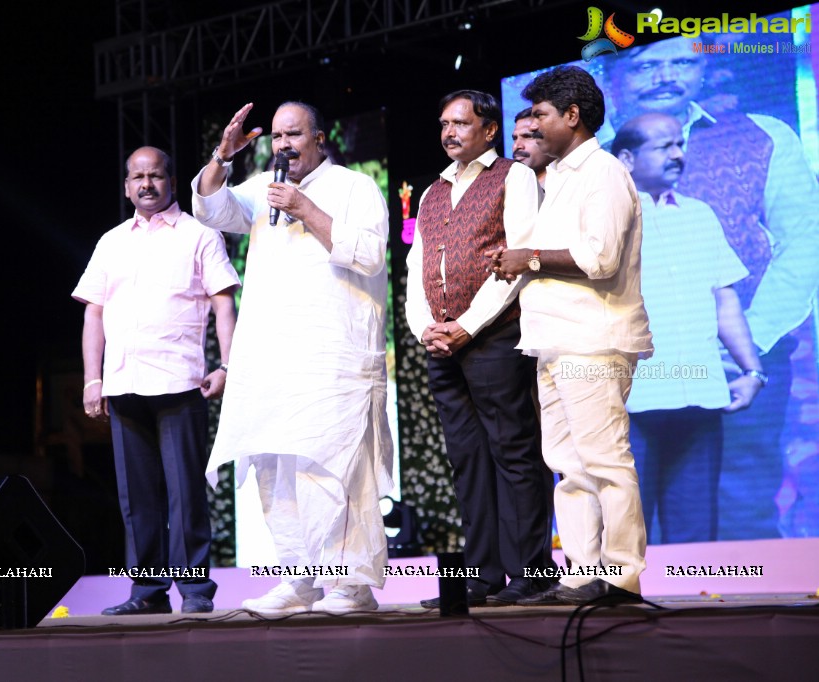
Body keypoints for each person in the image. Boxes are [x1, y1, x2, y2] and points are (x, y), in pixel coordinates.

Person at [605, 38, 819, 538]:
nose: (665, 76)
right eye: (646, 65)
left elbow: (803, 245)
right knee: (624, 522)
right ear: (615, 78)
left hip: (739, 367)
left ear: (704, 71)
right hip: (627, 375)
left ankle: (722, 611)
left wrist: (750, 348)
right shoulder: (590, 166)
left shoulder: (762, 137)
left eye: (682, 62)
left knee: (739, 516)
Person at [192, 101, 394, 615]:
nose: (283, 144)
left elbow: (369, 253)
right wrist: (223, 153)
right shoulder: (261, 188)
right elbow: (209, 208)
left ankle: (351, 586)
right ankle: (299, 579)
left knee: (334, 470)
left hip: (332, 358)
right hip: (270, 359)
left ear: (318, 138)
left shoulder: (354, 187)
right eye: (277, 136)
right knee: (274, 469)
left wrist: (305, 208)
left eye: (294, 134)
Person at [489, 66, 653, 605]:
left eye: (540, 114)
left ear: (572, 116)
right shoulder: (558, 177)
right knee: (568, 466)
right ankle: (583, 571)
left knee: (604, 461)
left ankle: (622, 573)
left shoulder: (601, 171)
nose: (532, 125)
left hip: (593, 339)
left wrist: (528, 258)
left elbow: (600, 258)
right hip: (553, 341)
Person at [404, 90, 556, 608]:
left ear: (489, 130)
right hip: (442, 344)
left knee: (513, 452)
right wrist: (426, 327)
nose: (449, 132)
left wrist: (466, 325)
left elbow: (513, 263)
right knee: (467, 459)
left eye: (460, 123)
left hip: (494, 336)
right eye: (444, 123)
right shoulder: (431, 193)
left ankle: (531, 572)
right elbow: (415, 271)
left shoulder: (512, 176)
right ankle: (483, 574)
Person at [72, 146, 240, 615]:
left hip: (180, 383)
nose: (147, 184)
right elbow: (94, 314)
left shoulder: (198, 234)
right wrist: (92, 380)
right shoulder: (111, 241)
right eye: (138, 177)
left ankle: (194, 593)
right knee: (138, 500)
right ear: (127, 186)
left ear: (171, 180)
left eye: (156, 176)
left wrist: (227, 366)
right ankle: (146, 594)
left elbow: (224, 303)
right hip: (124, 385)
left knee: (185, 495)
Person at [613, 113, 765, 543]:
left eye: (680, 144)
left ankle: (695, 610)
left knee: (695, 544)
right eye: (664, 146)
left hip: (699, 400)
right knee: (624, 543)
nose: (679, 154)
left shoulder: (700, 215)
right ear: (626, 157)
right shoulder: (604, 221)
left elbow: (724, 300)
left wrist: (752, 371)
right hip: (628, 405)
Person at [511, 107, 552, 202]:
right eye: (515, 138)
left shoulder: (568, 183)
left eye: (527, 136)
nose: (517, 146)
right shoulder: (508, 185)